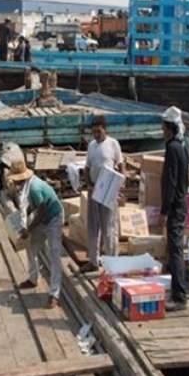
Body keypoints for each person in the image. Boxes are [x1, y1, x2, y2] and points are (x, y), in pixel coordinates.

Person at [11, 159, 64, 310]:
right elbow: (30, 207)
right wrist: (22, 223)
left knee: (54, 255)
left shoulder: (34, 187)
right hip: (41, 218)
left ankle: (54, 293)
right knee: (31, 247)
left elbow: (42, 210)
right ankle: (32, 278)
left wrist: (29, 227)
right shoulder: (25, 188)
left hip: (53, 218)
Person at [80, 116, 124, 273]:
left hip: (108, 191)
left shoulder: (113, 144)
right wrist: (89, 185)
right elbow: (87, 167)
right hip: (94, 190)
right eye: (94, 132)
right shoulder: (91, 146)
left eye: (99, 132)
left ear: (105, 130)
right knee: (93, 226)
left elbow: (120, 166)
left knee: (109, 228)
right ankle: (93, 261)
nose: (96, 135)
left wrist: (119, 187)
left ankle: (112, 263)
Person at [160, 106, 189, 312]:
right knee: (175, 247)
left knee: (176, 249)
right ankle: (176, 288)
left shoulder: (172, 148)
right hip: (182, 202)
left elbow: (170, 181)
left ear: (169, 128)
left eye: (163, 128)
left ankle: (179, 296)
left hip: (175, 205)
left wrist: (164, 210)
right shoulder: (182, 146)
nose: (162, 131)